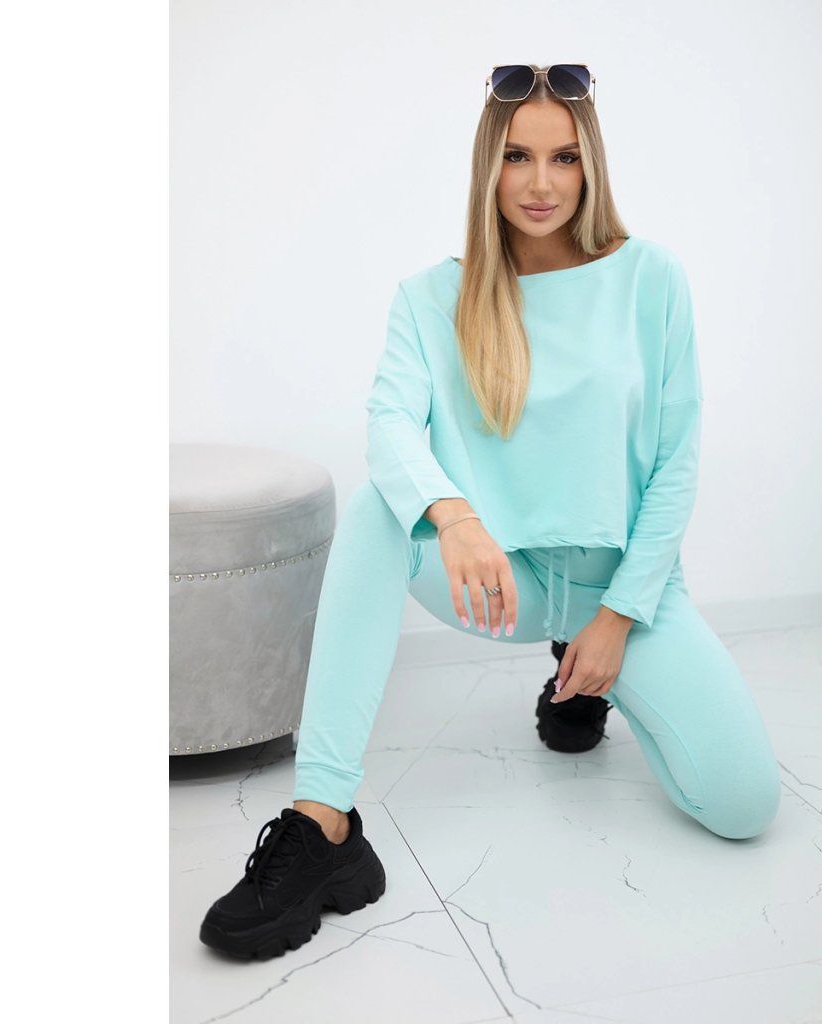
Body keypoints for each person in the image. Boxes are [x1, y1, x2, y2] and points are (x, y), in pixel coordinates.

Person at [199, 63, 781, 961]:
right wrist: (457, 517)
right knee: (378, 511)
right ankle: (323, 821)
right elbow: (390, 423)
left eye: (564, 157)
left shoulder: (650, 278)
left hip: (619, 591)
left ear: (591, 166)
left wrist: (620, 621)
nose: (541, 183)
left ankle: (585, 676)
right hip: (497, 580)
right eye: (517, 156)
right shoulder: (432, 295)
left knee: (744, 807)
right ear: (488, 165)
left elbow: (676, 461)